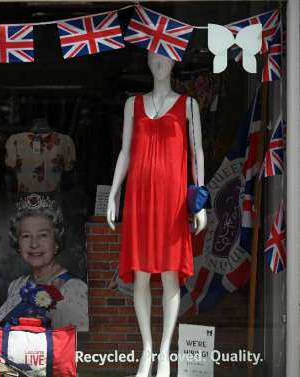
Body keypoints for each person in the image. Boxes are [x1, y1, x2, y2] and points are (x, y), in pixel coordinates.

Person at [106, 51, 207, 377]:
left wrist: (200, 199)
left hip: (173, 201)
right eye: (153, 56)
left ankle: (164, 353)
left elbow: (197, 153)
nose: (158, 61)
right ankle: (147, 350)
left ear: (175, 62)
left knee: (169, 275)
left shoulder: (188, 105)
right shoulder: (132, 104)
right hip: (140, 199)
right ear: (147, 62)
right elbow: (125, 150)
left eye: (164, 56)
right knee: (141, 275)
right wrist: (114, 192)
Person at [0, 194, 88, 331]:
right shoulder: (16, 285)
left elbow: (77, 346)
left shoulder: (74, 289)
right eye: (26, 236)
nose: (34, 244)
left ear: (56, 241)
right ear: (18, 243)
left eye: (43, 235)